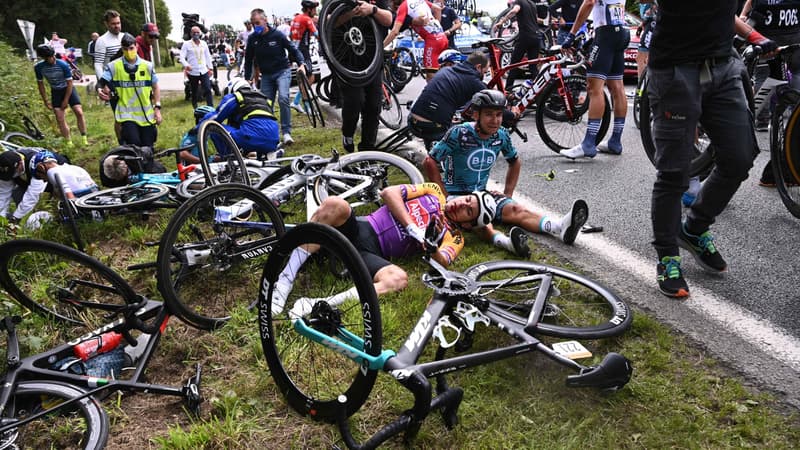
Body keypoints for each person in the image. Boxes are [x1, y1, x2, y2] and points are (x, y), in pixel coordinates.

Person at [646, 3, 777, 298]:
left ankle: (694, 228)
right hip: (676, 69)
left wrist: (754, 36)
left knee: (739, 157)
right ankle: (668, 256)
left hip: (723, 64)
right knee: (674, 171)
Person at [270, 182, 484, 317]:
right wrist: (412, 227)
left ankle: (317, 304)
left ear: (468, 224)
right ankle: (284, 280)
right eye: (467, 199)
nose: (461, 205)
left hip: (372, 254)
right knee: (335, 203)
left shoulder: (455, 237)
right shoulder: (434, 192)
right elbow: (389, 193)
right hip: (361, 228)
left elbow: (443, 261)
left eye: (468, 211)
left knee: (399, 279)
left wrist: (432, 246)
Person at [424, 89, 589, 257]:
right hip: (457, 195)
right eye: (489, 114)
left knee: (515, 209)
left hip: (482, 194)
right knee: (481, 221)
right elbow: (430, 161)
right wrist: (442, 196)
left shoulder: (501, 135)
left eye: (499, 115)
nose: (495, 120)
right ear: (475, 115)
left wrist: (507, 194)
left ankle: (560, 227)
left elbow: (515, 161)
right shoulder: (459, 133)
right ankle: (506, 243)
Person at [739, 0, 800, 185]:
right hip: (765, 45)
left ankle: (782, 163)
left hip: (793, 46)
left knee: (794, 105)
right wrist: (743, 17)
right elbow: (751, 4)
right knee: (762, 91)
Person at [559, 0, 629, 159]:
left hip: (606, 34)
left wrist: (571, 34)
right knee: (617, 86)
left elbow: (589, 2)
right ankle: (615, 141)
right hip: (621, 31)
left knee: (594, 88)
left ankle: (589, 143)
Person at [409, 51, 517, 150]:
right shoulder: (472, 81)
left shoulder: (449, 70)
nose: (484, 74)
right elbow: (494, 108)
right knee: (471, 136)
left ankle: (433, 150)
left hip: (413, 120)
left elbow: (478, 86)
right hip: (433, 128)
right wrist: (512, 114)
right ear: (478, 67)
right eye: (485, 71)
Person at [333, 0, 393, 153]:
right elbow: (328, 22)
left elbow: (388, 19)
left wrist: (373, 10)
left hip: (372, 61)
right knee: (355, 102)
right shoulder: (337, 2)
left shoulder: (378, 2)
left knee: (373, 107)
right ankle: (348, 133)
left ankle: (368, 149)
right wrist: (352, 13)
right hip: (347, 63)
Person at [246, 8, 306, 147]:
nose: (256, 26)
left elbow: (293, 49)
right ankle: (271, 134)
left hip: (282, 71)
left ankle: (286, 132)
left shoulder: (277, 35)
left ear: (265, 20)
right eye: (253, 24)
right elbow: (248, 60)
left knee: (284, 98)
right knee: (266, 105)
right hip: (266, 75)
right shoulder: (252, 38)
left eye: (257, 23)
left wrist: (301, 63)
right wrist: (247, 78)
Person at [97, 33, 162, 148]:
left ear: (136, 46)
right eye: (125, 49)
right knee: (134, 145)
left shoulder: (147, 66)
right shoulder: (114, 66)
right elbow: (101, 82)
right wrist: (99, 90)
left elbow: (156, 86)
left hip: (146, 115)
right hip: (126, 115)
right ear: (121, 49)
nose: (128, 51)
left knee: (148, 148)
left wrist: (157, 108)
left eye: (131, 48)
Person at [193, 79, 280, 160]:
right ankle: (265, 155)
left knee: (213, 127)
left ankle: (229, 158)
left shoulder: (236, 97)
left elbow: (215, 117)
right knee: (247, 127)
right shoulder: (264, 99)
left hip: (250, 138)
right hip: (273, 140)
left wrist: (197, 128)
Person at [34, 44, 88, 148]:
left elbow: (70, 83)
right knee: (59, 118)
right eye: (46, 58)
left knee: (79, 112)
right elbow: (40, 84)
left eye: (50, 57)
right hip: (56, 91)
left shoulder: (63, 64)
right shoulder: (39, 67)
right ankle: (68, 142)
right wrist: (45, 100)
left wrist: (66, 100)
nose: (50, 59)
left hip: (68, 89)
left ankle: (84, 137)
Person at [0, 147, 67, 230]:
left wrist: (15, 219)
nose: (12, 176)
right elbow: (3, 195)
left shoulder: (36, 164)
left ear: (20, 163)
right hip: (31, 179)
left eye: (13, 173)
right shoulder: (6, 169)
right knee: (17, 193)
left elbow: (32, 195)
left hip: (58, 176)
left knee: (59, 203)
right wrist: (1, 219)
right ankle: (23, 220)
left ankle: (57, 224)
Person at [383, 0, 448, 81]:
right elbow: (437, 9)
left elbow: (395, 32)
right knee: (443, 74)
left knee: (431, 79)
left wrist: (382, 46)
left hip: (433, 42)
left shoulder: (404, 6)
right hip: (442, 37)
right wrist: (436, 26)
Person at [492, 0, 541, 93]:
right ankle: (540, 90)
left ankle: (507, 89)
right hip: (536, 37)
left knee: (513, 64)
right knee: (533, 67)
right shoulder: (532, 4)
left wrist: (501, 22)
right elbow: (536, 19)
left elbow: (514, 11)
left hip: (525, 36)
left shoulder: (519, 1)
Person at [31, 151, 98, 201]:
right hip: (94, 191)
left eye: (39, 175)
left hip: (80, 196)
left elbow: (68, 194)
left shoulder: (51, 172)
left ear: (41, 167)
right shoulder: (74, 167)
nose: (43, 180)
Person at [290, 1, 320, 113]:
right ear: (308, 9)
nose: (315, 11)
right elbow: (317, 35)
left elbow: (291, 34)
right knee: (311, 77)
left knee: (305, 77)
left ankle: (298, 102)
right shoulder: (307, 19)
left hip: (295, 49)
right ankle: (302, 103)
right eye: (314, 9)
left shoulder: (296, 18)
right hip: (303, 50)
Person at [180, 26, 215, 109]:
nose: (196, 34)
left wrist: (210, 68)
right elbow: (181, 57)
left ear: (200, 33)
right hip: (193, 72)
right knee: (194, 91)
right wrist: (186, 65)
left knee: (208, 89)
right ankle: (195, 107)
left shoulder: (204, 43)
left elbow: (208, 56)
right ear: (191, 34)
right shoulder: (186, 44)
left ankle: (211, 108)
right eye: (194, 32)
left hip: (203, 71)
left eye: (197, 32)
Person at [93, 10, 123, 80]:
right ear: (106, 24)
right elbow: (98, 64)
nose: (117, 26)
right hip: (110, 79)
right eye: (113, 24)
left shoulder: (124, 37)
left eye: (118, 23)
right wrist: (103, 82)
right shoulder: (102, 40)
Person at [636, 0, 656, 80]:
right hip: (649, 24)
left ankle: (642, 87)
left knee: (642, 57)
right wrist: (641, 25)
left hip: (652, 24)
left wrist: (652, 9)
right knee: (644, 57)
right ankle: (645, 85)